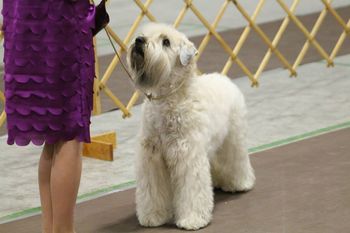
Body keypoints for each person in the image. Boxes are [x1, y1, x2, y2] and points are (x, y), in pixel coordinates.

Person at [2, 0, 95, 232]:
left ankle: (52, 229)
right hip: (60, 20)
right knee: (69, 133)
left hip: (22, 19)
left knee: (53, 138)